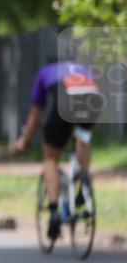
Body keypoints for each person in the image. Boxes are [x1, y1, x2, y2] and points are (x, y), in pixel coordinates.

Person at [15, 56, 101, 241]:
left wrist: (25, 140)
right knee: (82, 138)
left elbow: (35, 114)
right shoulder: (81, 68)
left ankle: (54, 211)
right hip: (91, 97)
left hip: (65, 98)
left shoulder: (45, 73)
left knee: (51, 157)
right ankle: (83, 179)